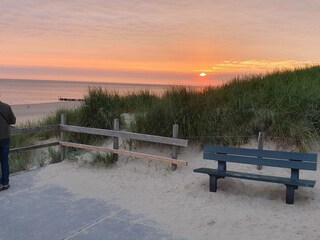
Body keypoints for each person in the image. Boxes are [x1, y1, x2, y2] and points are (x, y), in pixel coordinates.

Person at [0, 100, 16, 191]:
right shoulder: (6, 107)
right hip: (5, 137)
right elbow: (13, 120)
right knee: (5, 160)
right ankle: (5, 183)